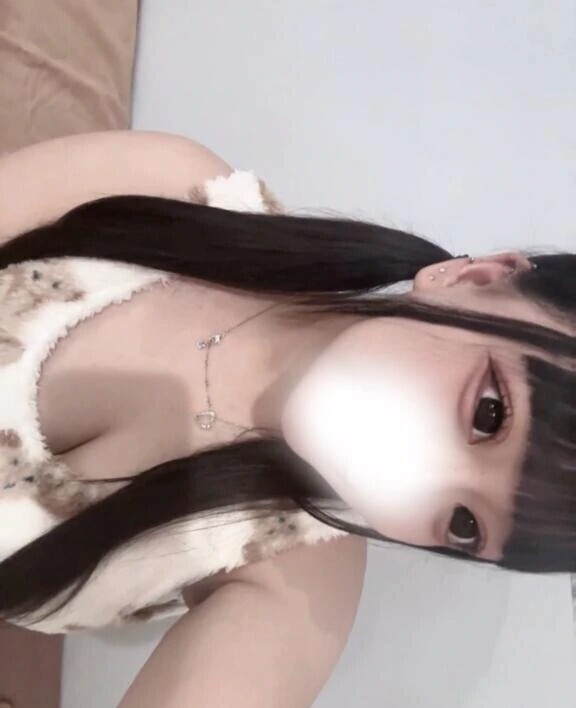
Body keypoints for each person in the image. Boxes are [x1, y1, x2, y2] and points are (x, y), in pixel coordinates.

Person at [0, 130, 573, 707]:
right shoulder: (179, 192)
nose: (424, 480)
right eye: (489, 413)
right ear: (473, 279)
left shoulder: (293, 588)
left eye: (465, 524)